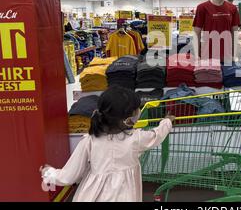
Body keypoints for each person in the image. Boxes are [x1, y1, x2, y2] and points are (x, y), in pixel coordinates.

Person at [40, 86, 175, 202]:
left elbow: (69, 175)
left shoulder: (90, 140)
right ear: (128, 120)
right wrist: (167, 121)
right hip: (125, 196)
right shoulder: (136, 138)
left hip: (92, 196)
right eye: (136, 110)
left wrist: (48, 173)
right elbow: (157, 135)